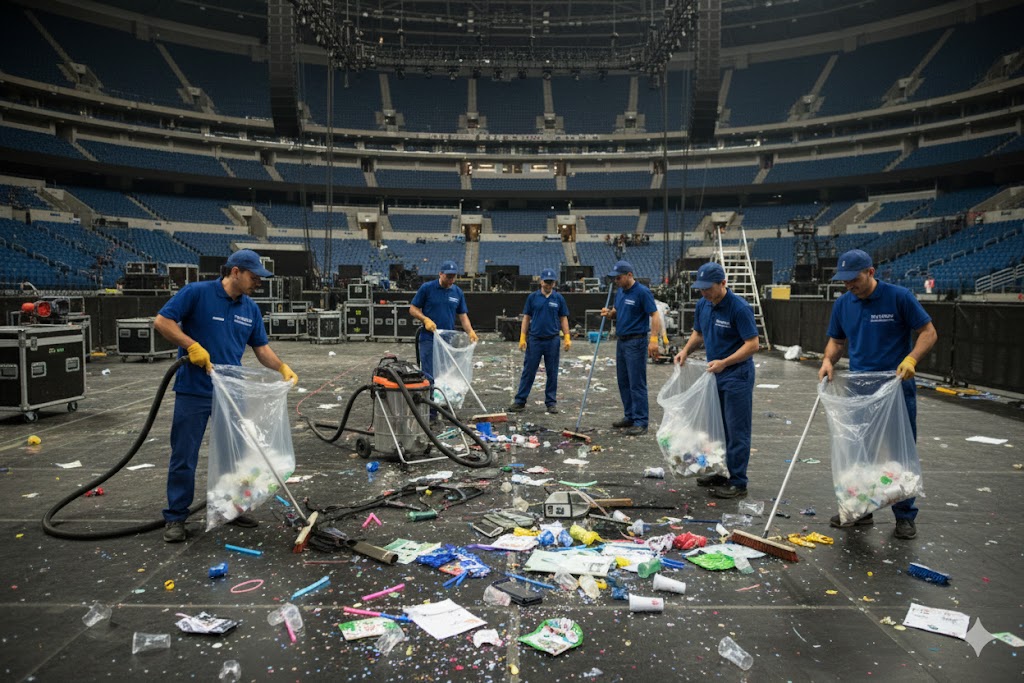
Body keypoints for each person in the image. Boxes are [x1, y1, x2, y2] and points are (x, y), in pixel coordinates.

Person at [154, 249, 298, 543]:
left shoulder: (250, 309)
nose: (258, 282)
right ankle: (176, 517)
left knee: (234, 455)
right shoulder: (196, 293)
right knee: (184, 455)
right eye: (254, 276)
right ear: (235, 272)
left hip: (231, 392)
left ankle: (230, 508)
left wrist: (282, 367)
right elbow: (163, 322)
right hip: (194, 391)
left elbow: (261, 348)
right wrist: (191, 345)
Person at [818, 249, 937, 540]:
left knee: (899, 450)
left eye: (854, 279)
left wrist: (911, 360)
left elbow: (928, 332)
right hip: (860, 387)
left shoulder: (898, 297)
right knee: (861, 451)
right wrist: (827, 361)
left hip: (895, 385)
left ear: (870, 272)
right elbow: (837, 340)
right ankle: (861, 509)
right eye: (844, 281)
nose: (849, 285)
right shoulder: (844, 303)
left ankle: (905, 516)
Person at [673, 262, 760, 499]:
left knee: (736, 430)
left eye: (707, 288)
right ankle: (721, 472)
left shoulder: (739, 308)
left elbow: (753, 345)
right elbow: (699, 333)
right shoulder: (704, 304)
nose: (703, 293)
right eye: (700, 289)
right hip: (715, 374)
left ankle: (739, 481)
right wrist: (686, 351)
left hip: (736, 375)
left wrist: (725, 362)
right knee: (716, 427)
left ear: (723, 283)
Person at [409, 260, 478, 418]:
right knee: (429, 374)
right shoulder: (427, 288)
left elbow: (463, 316)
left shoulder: (457, 292)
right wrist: (425, 319)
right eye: (448, 277)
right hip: (429, 339)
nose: (451, 280)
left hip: (448, 341)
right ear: (440, 274)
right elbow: (412, 309)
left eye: (453, 277)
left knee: (445, 375)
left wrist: (470, 332)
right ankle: (430, 410)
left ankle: (444, 405)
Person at [601, 260, 662, 436]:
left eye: (618, 278)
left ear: (629, 275)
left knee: (636, 382)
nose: (616, 281)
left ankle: (641, 421)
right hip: (622, 340)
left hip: (637, 341)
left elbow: (655, 314)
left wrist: (654, 339)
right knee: (624, 381)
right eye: (614, 278)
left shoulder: (642, 292)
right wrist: (610, 314)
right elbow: (617, 312)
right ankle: (630, 416)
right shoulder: (620, 292)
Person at [508, 268, 571, 415]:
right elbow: (526, 317)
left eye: (551, 282)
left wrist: (567, 336)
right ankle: (520, 401)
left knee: (552, 372)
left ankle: (551, 403)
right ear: (541, 281)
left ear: (554, 283)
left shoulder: (559, 298)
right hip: (535, 339)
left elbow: (563, 318)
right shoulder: (532, 298)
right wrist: (523, 336)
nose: (548, 285)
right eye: (546, 282)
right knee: (528, 371)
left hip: (552, 340)